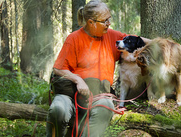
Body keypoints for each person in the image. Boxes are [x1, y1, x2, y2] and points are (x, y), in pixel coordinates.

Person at [46, 0, 150, 136]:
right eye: (105, 20)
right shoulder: (73, 39)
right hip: (70, 93)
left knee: (105, 109)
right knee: (57, 110)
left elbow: (140, 40)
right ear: (91, 22)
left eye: (109, 19)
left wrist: (162, 45)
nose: (109, 23)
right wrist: (78, 80)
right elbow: (59, 69)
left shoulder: (113, 36)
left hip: (100, 95)